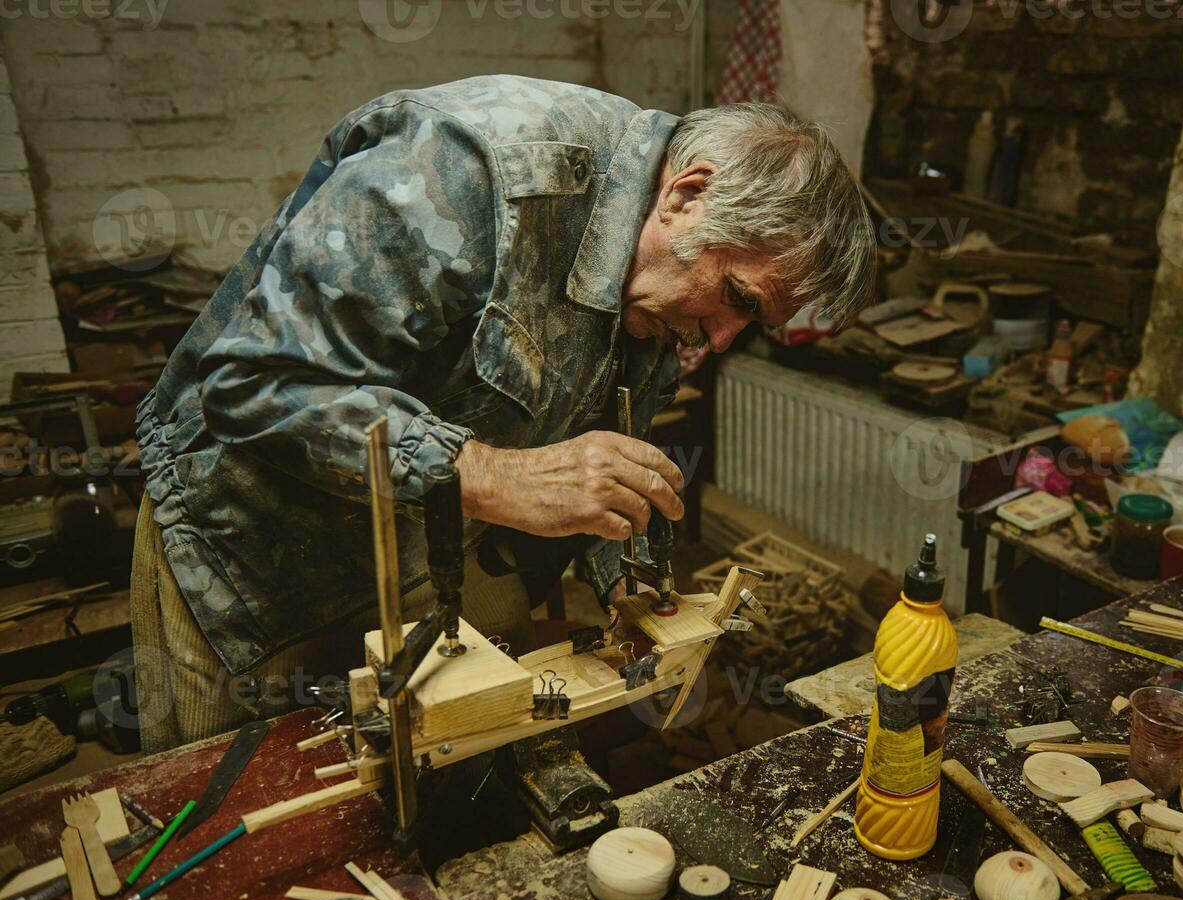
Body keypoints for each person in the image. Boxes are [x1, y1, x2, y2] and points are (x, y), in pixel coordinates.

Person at [130, 75, 875, 751]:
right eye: (736, 299)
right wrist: (487, 475)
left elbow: (604, 440)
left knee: (444, 790)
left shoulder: (663, 274)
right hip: (253, 559)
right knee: (237, 819)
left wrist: (622, 569)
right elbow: (252, 381)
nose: (718, 339)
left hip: (434, 554)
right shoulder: (465, 166)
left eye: (752, 322)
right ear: (686, 196)